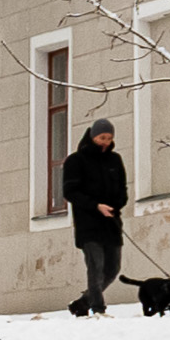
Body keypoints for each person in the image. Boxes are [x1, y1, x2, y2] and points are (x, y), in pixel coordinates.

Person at [59, 120, 129, 315]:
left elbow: (123, 190)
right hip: (88, 224)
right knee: (95, 266)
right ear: (92, 137)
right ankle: (98, 307)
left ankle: (83, 302)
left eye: (109, 138)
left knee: (112, 269)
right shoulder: (76, 161)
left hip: (111, 222)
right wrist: (95, 206)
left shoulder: (115, 160)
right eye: (102, 138)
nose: (105, 142)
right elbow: (70, 192)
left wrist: (116, 206)